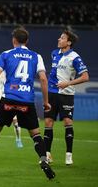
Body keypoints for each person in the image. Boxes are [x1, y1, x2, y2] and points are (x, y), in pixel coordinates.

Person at [0, 27, 55, 179]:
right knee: (36, 135)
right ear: (27, 41)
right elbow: (44, 79)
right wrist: (45, 102)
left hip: (8, 100)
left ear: (14, 40)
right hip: (26, 101)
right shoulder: (36, 56)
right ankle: (44, 160)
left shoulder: (6, 54)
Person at [44, 28, 89, 165]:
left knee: (68, 122)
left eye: (62, 38)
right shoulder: (54, 54)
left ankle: (68, 155)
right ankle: (47, 154)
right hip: (52, 93)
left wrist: (68, 83)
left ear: (69, 42)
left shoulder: (75, 57)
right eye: (60, 37)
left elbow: (85, 77)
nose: (59, 39)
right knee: (48, 122)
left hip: (66, 94)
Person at [0, 71, 23, 148]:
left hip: (11, 100)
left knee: (15, 122)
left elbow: (19, 87)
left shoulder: (14, 72)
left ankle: (18, 138)